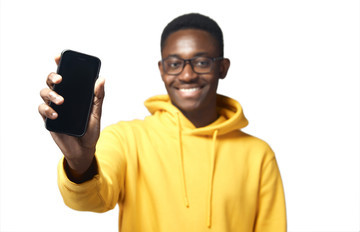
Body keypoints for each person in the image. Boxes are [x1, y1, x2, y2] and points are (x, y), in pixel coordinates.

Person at [39, 13, 287, 232]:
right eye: (175, 64)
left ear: (222, 68)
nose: (187, 74)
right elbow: (91, 200)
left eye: (201, 62)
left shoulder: (259, 155)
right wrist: (80, 163)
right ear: (161, 69)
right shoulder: (127, 140)